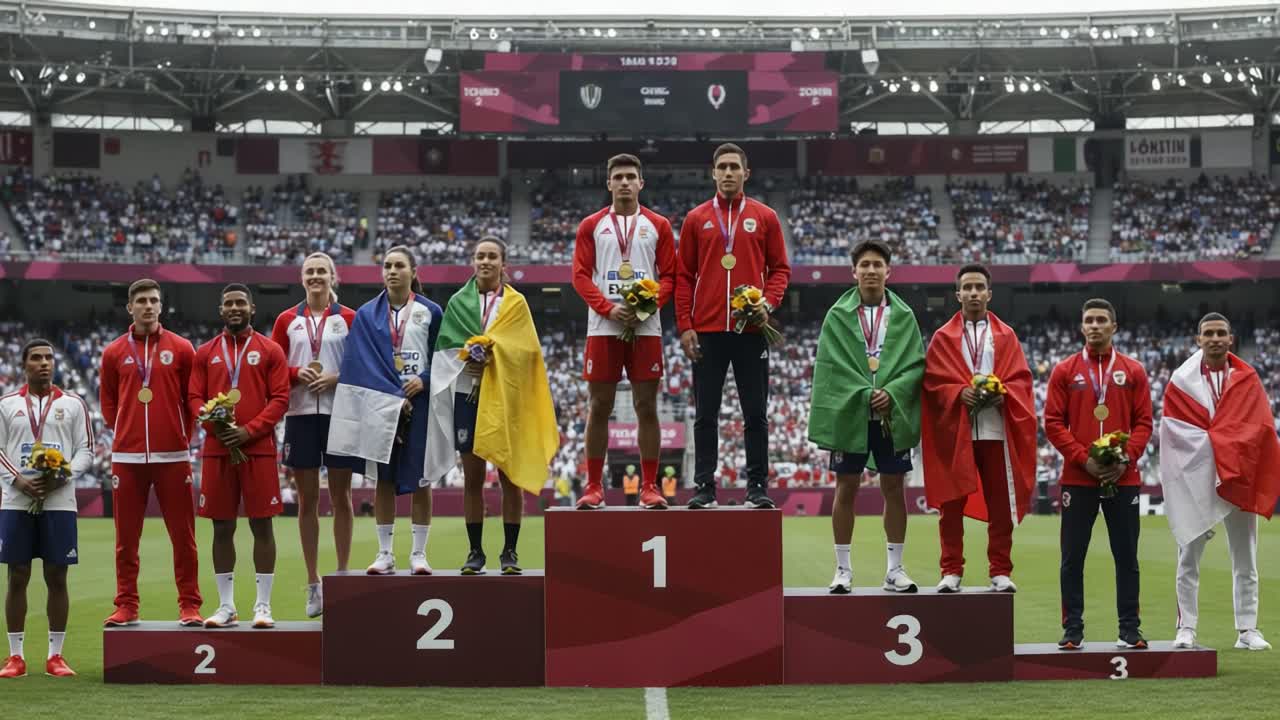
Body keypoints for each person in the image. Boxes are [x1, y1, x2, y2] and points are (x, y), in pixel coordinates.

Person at [424, 238, 558, 575]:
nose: (485, 261)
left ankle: (509, 553)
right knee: (473, 477)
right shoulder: (457, 302)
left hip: (506, 401)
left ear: (503, 263)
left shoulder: (516, 303)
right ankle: (475, 552)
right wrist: (464, 359)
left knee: (509, 477)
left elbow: (528, 353)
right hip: (468, 395)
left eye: (492, 256)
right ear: (473, 261)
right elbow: (444, 352)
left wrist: (495, 354)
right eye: (480, 256)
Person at [675, 143, 791, 509]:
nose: (727, 173)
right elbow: (683, 276)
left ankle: (757, 487)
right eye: (721, 167)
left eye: (734, 167)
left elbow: (781, 270)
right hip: (707, 330)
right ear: (713, 173)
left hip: (750, 330)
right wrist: (684, 326)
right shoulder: (696, 219)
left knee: (755, 413)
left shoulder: (766, 216)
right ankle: (704, 488)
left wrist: (767, 305)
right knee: (705, 413)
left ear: (746, 172)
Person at [808, 240, 924, 594]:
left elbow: (916, 364)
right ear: (853, 271)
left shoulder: (904, 317)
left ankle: (895, 569)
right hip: (851, 413)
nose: (871, 270)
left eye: (878, 265)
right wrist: (862, 393)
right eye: (865, 265)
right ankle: (842, 569)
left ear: (888, 272)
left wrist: (892, 394)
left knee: (894, 488)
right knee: (846, 487)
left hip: (891, 413)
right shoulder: (837, 315)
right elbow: (830, 367)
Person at [1160, 312, 1279, 651]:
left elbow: (1260, 428)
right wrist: (1218, 443)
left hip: (1238, 476)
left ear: (1231, 339)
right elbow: (1174, 431)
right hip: (1197, 478)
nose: (1214, 338)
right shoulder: (1180, 381)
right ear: (1198, 340)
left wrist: (1229, 445)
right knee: (1188, 556)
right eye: (1208, 333)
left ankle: (1248, 629)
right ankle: (1186, 628)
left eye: (1220, 333)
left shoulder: (1248, 379)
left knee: (1246, 557)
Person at [1044, 298, 1153, 650]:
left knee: (1127, 556)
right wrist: (1082, 459)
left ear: (1114, 327)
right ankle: (1072, 629)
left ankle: (1130, 629)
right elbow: (1053, 423)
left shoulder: (1133, 370)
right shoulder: (1065, 370)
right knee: (1073, 557)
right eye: (1088, 320)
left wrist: (1125, 460)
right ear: (1081, 327)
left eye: (1101, 320)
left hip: (1124, 478)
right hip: (1078, 477)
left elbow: (1144, 423)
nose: (1094, 326)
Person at [921, 264, 1036, 593]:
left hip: (996, 431)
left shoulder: (1006, 335)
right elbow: (932, 383)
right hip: (956, 432)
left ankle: (1000, 570)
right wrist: (960, 392)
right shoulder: (943, 337)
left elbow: (1020, 380)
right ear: (957, 294)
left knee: (1001, 504)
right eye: (967, 287)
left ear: (989, 293)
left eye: (979, 287)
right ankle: (951, 570)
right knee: (951, 504)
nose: (973, 292)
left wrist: (1001, 394)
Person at [572, 153, 676, 510]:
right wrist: (608, 307)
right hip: (603, 327)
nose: (625, 182)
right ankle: (594, 486)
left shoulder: (658, 225)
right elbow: (580, 276)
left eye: (631, 176)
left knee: (646, 405)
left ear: (641, 183)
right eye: (619, 177)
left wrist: (648, 307)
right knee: (599, 405)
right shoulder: (591, 225)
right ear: (609, 183)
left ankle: (649, 487)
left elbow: (671, 276)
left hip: (646, 328)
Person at [328, 246, 441, 576]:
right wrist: (392, 394)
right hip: (381, 404)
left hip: (420, 403)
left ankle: (419, 553)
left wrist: (425, 380)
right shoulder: (366, 314)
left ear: (413, 271)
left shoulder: (431, 311)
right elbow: (359, 362)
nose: (392, 271)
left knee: (422, 478)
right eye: (388, 266)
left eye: (399, 266)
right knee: (383, 480)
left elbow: (444, 357)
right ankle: (385, 552)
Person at [100, 279, 202, 628]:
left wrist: (179, 436)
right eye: (141, 300)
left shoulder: (183, 348)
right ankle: (127, 604)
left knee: (184, 537)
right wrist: (125, 431)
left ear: (162, 306)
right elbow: (109, 402)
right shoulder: (113, 352)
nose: (148, 306)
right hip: (126, 459)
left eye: (154, 300)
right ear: (130, 307)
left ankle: (189, 604)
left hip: (173, 456)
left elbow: (192, 400)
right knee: (126, 540)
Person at [189, 284, 291, 629]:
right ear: (221, 310)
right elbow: (193, 398)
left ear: (252, 307)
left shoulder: (270, 349)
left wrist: (249, 430)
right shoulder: (204, 352)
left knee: (262, 524)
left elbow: (280, 398)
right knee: (222, 527)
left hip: (258, 450)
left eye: (240, 303)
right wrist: (215, 426)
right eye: (229, 303)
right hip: (217, 450)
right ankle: (227, 605)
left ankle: (263, 606)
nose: (235, 308)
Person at [270, 252, 359, 617]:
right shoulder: (286, 320)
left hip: (341, 415)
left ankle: (341, 576)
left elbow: (363, 365)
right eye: (310, 272)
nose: (316, 277)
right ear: (302, 278)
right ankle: (313, 583)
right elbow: (272, 367)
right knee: (308, 501)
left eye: (322, 271)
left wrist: (336, 377)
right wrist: (295, 373)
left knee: (342, 497)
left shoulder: (350, 318)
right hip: (301, 415)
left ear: (333, 277)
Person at [0, 339, 92, 678]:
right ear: (23, 364)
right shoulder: (7, 404)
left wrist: (64, 474)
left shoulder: (74, 404)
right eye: (36, 358)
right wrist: (18, 481)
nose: (44, 363)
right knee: (17, 575)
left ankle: (56, 656)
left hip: (59, 499)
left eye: (49, 358)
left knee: (57, 575)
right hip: (16, 500)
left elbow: (86, 450)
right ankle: (15, 657)